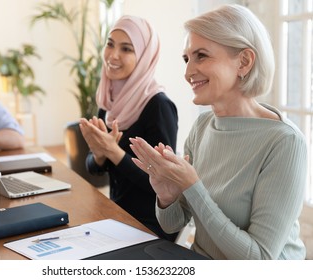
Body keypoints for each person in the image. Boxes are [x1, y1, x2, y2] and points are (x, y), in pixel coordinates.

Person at [129, 4, 307, 259]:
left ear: (244, 62)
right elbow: (173, 224)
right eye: (187, 58)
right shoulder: (203, 126)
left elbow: (259, 259)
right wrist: (167, 196)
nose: (188, 72)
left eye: (201, 55)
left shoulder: (284, 142)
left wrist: (192, 185)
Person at [79, 15, 179, 241]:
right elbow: (94, 169)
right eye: (110, 44)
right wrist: (98, 154)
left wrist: (114, 153)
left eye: (126, 49)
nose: (113, 55)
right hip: (116, 216)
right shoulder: (110, 102)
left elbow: (163, 183)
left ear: (144, 57)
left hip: (149, 225)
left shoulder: (159, 106)